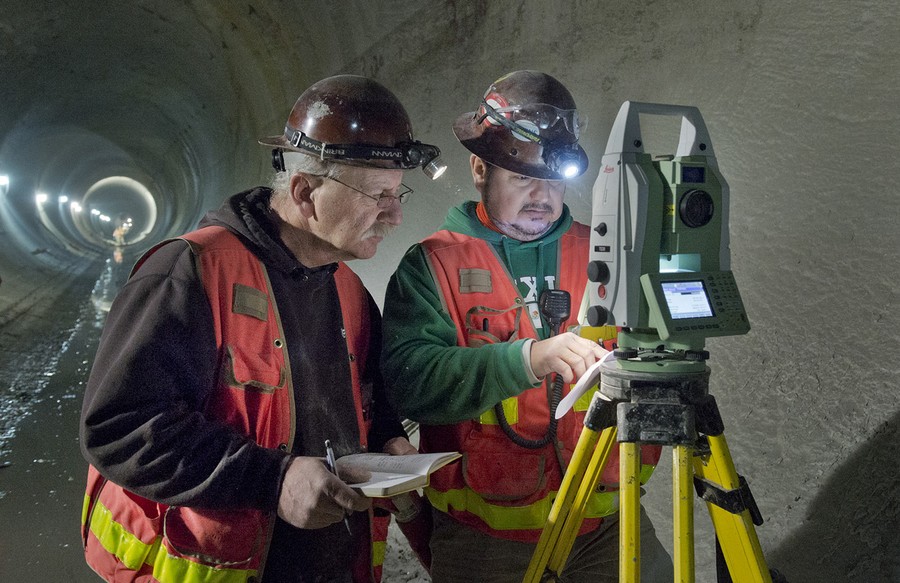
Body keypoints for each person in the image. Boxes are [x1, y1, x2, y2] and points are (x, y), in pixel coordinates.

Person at [80, 74, 443, 583]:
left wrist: (390, 445)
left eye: (397, 192)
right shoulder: (191, 274)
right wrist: (274, 480)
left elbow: (370, 405)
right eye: (378, 194)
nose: (396, 214)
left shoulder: (349, 291)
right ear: (305, 192)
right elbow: (120, 427)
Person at [381, 70, 671, 582]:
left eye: (554, 179)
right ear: (479, 169)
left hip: (608, 521)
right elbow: (410, 383)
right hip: (486, 541)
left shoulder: (604, 251)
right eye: (522, 178)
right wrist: (525, 360)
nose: (542, 195)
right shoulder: (432, 265)